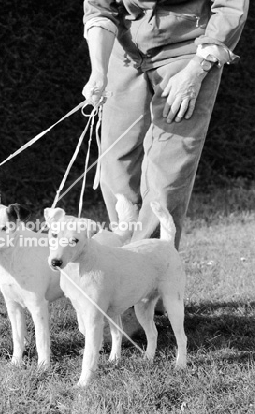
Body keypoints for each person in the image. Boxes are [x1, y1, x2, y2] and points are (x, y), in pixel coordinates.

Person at [82, 0, 249, 248]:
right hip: (127, 53)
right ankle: (120, 254)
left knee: (167, 171)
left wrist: (198, 69)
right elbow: (100, 9)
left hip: (189, 53)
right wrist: (99, 70)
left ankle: (149, 267)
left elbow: (230, 8)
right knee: (115, 160)